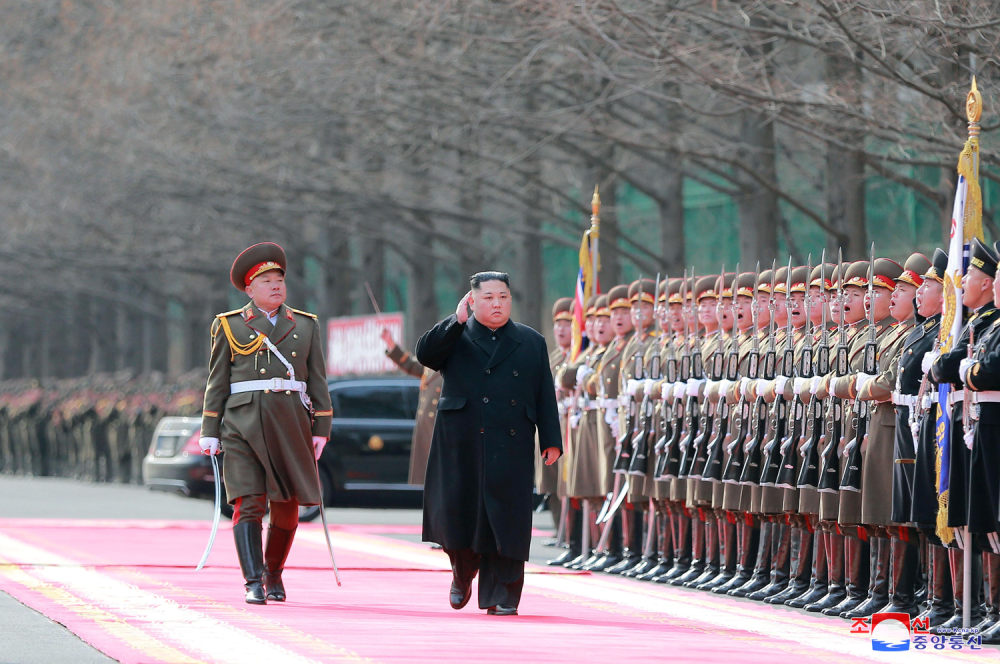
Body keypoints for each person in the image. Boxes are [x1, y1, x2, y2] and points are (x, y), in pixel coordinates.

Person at [415, 271, 563, 616]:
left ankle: (504, 594)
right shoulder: (456, 335)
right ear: (472, 300)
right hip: (462, 440)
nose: (497, 303)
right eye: (488, 297)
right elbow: (426, 355)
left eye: (503, 297)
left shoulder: (531, 341)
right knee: (460, 512)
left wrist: (551, 439)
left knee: (508, 518)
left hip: (511, 440)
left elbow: (544, 394)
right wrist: (455, 321)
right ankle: (462, 570)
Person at [199, 242, 333, 605]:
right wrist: (209, 431)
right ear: (249, 289)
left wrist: (321, 427)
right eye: (266, 281)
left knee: (288, 506)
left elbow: (317, 380)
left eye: (279, 280)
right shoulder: (228, 325)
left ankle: (274, 572)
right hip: (242, 423)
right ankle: (253, 580)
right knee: (248, 501)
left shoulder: (305, 325)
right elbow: (217, 381)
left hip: (290, 423)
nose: (276, 286)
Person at [380, 327, 443, 485]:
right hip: (427, 431)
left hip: (440, 433)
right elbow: (411, 365)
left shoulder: (455, 364)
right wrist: (391, 343)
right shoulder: (434, 363)